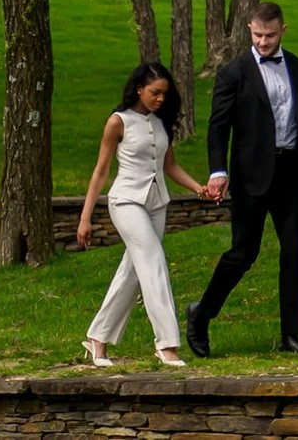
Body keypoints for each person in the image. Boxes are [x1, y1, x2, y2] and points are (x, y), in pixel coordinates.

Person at [186, 1, 298, 356]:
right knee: (244, 253)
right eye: (258, 35)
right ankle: (201, 313)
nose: (263, 42)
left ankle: (291, 335)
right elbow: (218, 128)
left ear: (283, 31)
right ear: (250, 29)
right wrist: (218, 170)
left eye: (270, 35)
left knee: (295, 251)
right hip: (251, 178)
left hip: (292, 174)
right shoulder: (235, 72)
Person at [75, 62, 216, 368]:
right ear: (139, 88)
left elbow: (170, 167)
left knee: (133, 272)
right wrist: (85, 218)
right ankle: (167, 344)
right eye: (155, 92)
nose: (161, 99)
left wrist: (199, 188)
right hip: (125, 202)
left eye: (165, 93)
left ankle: (97, 339)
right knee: (153, 261)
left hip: (156, 204)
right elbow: (100, 171)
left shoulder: (162, 123)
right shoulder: (118, 122)